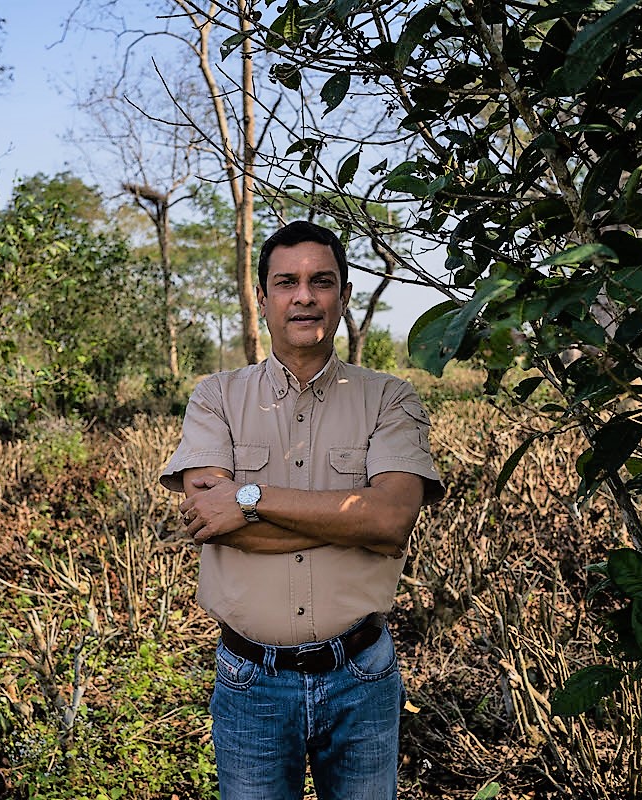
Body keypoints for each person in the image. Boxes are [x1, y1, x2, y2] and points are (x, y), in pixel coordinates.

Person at [159, 220, 444, 800]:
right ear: (261, 297)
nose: (304, 296)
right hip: (250, 682)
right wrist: (350, 523)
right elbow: (212, 523)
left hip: (361, 677)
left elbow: (391, 522)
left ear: (342, 296)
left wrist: (251, 498)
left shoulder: (389, 398)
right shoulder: (216, 397)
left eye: (322, 281)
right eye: (286, 282)